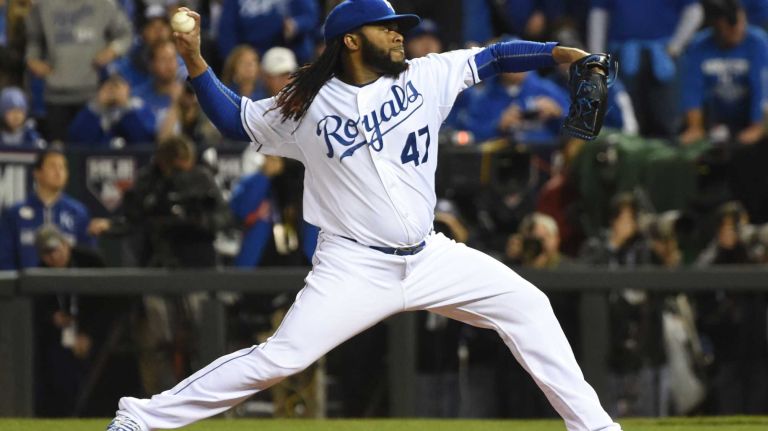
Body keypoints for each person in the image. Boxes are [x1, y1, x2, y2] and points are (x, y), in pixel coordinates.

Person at [106, 2, 622, 430]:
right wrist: (196, 61)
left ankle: (597, 428)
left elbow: (495, 57)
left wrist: (559, 53)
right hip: (354, 267)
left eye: (400, 28)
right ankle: (141, 419)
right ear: (351, 40)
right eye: (388, 28)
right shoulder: (303, 103)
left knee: (528, 305)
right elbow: (233, 119)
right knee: (282, 358)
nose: (401, 36)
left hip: (430, 256)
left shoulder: (426, 75)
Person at [24, 0, 133, 141]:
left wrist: (113, 50)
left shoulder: (104, 4)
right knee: (59, 152)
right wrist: (33, 59)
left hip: (92, 95)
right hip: (56, 94)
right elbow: (33, 39)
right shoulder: (44, 5)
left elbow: (125, 34)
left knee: (89, 151)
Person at [0, 148, 110, 269]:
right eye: (52, 166)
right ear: (37, 173)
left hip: (68, 284)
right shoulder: (14, 213)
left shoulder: (78, 213)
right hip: (27, 284)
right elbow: (5, 258)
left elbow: (88, 258)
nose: (58, 172)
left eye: (62, 167)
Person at [679, 0, 768, 145]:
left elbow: (762, 89)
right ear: (716, 25)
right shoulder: (699, 46)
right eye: (730, 28)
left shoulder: (758, 43)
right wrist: (695, 127)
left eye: (739, 24)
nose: (737, 30)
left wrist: (756, 126)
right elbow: (692, 90)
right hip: (717, 118)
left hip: (751, 118)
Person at [67, 74, 156, 148]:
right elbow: (78, 141)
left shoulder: (139, 107)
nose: (113, 91)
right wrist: (99, 107)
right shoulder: (91, 110)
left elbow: (144, 139)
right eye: (108, 86)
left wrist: (125, 107)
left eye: (117, 86)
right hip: (97, 162)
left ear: (128, 88)